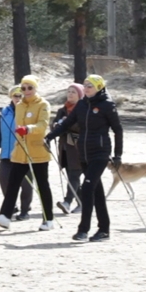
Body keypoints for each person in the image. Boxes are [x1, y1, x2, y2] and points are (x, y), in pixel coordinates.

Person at [47, 75, 122, 242]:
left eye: (90, 86)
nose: (87, 88)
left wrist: (118, 154)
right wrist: (50, 137)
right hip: (84, 153)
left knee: (87, 188)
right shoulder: (82, 104)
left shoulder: (107, 105)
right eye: (85, 85)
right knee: (97, 191)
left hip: (100, 153)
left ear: (99, 87)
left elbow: (118, 130)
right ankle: (104, 229)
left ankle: (83, 230)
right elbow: (67, 124)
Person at [0, 76, 61, 232]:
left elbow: (43, 125)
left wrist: (28, 129)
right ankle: (5, 216)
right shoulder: (19, 106)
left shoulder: (43, 104)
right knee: (13, 184)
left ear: (35, 89)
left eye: (30, 88)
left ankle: (48, 219)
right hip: (20, 151)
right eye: (23, 88)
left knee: (42, 185)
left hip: (37, 151)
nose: (26, 91)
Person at [0, 85, 34, 221]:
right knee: (3, 178)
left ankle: (25, 209)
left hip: (24, 154)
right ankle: (12, 205)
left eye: (21, 95)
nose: (18, 98)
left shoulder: (29, 111)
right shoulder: (4, 112)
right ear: (11, 97)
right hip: (7, 154)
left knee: (26, 183)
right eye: (16, 96)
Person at [53, 83, 85, 214]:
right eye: (69, 91)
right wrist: (56, 125)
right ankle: (83, 204)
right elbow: (54, 125)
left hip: (79, 149)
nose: (70, 94)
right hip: (65, 148)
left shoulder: (84, 109)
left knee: (74, 175)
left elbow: (81, 127)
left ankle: (67, 202)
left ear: (80, 95)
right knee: (72, 177)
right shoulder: (62, 110)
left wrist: (66, 124)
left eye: (73, 92)